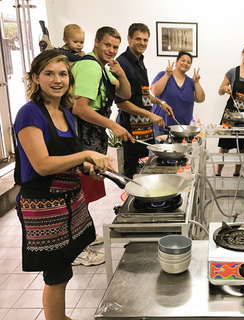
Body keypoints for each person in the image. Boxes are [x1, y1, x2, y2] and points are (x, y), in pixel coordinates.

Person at [13, 50, 111, 320]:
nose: (57, 80)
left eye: (62, 74)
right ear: (35, 78)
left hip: (69, 201)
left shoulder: (64, 112)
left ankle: (60, 317)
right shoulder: (29, 113)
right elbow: (42, 164)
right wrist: (85, 155)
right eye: (49, 73)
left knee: (64, 267)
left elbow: (67, 157)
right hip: (44, 205)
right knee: (56, 273)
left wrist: (89, 167)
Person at [72, 26, 134, 203]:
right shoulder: (91, 67)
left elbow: (125, 94)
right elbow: (79, 108)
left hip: (93, 139)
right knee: (80, 197)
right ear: (96, 42)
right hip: (81, 140)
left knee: (86, 197)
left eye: (115, 47)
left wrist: (121, 74)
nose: (112, 51)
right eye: (107, 45)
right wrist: (113, 125)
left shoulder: (102, 68)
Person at [115, 23, 173, 178]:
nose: (142, 43)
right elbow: (121, 102)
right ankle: (129, 200)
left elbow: (143, 95)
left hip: (144, 127)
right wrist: (150, 115)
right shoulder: (123, 63)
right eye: (138, 39)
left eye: (145, 40)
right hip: (131, 127)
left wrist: (161, 103)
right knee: (132, 172)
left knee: (144, 168)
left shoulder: (139, 61)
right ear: (129, 39)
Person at [216, 44, 244, 176]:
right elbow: (219, 91)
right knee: (224, 145)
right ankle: (218, 172)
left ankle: (237, 173)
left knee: (242, 146)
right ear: (242, 54)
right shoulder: (232, 72)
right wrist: (224, 88)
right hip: (230, 113)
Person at [151, 51, 205, 140]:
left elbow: (200, 99)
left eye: (188, 62)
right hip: (162, 126)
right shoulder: (163, 75)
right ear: (176, 61)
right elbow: (155, 91)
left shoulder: (190, 82)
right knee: (161, 153)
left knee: (184, 153)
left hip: (183, 129)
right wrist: (167, 75)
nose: (185, 64)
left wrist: (196, 82)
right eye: (183, 60)